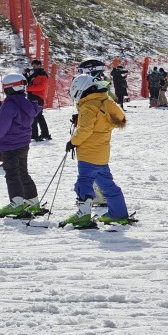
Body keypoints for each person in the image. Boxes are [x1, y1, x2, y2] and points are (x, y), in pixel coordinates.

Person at [61, 74, 131, 228]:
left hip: (88, 153)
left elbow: (85, 130)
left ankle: (83, 215)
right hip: (102, 153)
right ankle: (118, 213)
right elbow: (120, 118)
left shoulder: (88, 106)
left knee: (84, 182)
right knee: (107, 184)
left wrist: (72, 142)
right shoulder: (106, 102)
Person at [0, 72, 43, 217]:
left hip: (9, 145)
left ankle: (17, 203)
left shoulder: (10, 104)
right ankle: (33, 202)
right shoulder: (27, 103)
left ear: (9, 88)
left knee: (12, 175)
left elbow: (1, 130)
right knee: (23, 173)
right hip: (23, 144)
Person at [24, 59, 51, 141]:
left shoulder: (42, 74)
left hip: (38, 97)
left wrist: (28, 88)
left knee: (35, 116)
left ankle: (35, 135)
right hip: (32, 96)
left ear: (39, 65)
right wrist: (25, 74)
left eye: (35, 66)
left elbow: (41, 87)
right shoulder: (34, 74)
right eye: (33, 66)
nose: (33, 67)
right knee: (39, 116)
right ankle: (44, 134)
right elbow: (28, 82)